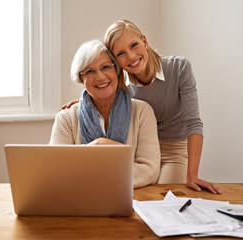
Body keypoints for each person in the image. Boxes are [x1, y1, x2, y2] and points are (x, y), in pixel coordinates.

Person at [63, 20, 221, 194]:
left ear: (145, 41)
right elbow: (101, 91)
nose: (131, 56)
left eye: (134, 45)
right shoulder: (120, 83)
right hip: (141, 149)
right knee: (136, 196)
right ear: (116, 61)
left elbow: (193, 122)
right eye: (121, 53)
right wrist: (83, 100)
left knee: (165, 197)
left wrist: (192, 174)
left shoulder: (179, 68)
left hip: (173, 149)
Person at [50, 39, 160, 189]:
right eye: (90, 71)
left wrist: (90, 172)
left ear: (117, 70)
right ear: (81, 79)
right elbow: (55, 168)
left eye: (106, 67)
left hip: (132, 199)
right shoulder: (66, 118)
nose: (100, 77)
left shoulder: (142, 112)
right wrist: (95, 147)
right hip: (79, 198)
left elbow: (149, 170)